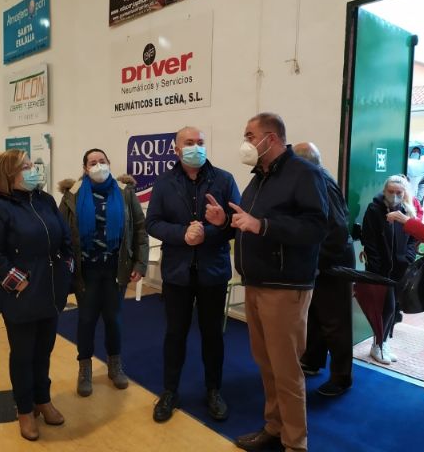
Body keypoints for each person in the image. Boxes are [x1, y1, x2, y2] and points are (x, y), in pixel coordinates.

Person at [206, 113, 328, 452]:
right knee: (267, 364)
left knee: (286, 371)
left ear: (270, 138)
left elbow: (317, 227)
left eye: (249, 134)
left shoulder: (304, 174)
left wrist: (263, 226)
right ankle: (274, 427)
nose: (245, 141)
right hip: (257, 283)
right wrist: (226, 222)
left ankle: (296, 443)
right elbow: (249, 224)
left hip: (285, 288)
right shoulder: (259, 177)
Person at [0, 149, 74, 441]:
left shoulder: (45, 200)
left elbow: (65, 237)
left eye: (32, 164)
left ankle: (42, 399)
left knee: (44, 351)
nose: (34, 169)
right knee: (23, 356)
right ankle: (25, 409)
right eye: (26, 166)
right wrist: (18, 282)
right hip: (20, 297)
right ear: (8, 174)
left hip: (50, 291)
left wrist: (66, 266)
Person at [146, 126, 240, 423]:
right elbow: (152, 223)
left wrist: (213, 229)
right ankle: (170, 391)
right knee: (175, 334)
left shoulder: (224, 179)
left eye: (200, 142)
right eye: (189, 143)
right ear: (176, 149)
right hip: (177, 273)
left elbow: (236, 222)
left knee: (213, 335)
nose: (196, 147)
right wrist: (182, 234)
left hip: (213, 271)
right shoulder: (163, 183)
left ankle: (214, 390)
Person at [57, 148, 148, 397]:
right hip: (86, 271)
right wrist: (64, 267)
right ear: (85, 168)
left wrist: (140, 264)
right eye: (92, 163)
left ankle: (115, 365)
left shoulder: (125, 192)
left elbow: (140, 230)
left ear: (109, 163)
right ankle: (84, 368)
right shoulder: (72, 195)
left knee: (113, 319)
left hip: (115, 268)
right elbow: (61, 234)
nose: (98, 166)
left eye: (102, 161)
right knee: (86, 319)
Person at [294, 142, 355, 397]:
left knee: (335, 323)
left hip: (332, 262)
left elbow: (336, 231)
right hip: (323, 261)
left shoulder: (321, 183)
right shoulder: (318, 178)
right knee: (317, 316)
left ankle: (341, 378)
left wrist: (318, 262)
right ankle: (312, 360)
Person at [361, 175, 417, 365]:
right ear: (385, 191)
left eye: (398, 192)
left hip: (399, 269)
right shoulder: (374, 209)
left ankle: (383, 343)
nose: (394, 196)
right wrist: (376, 266)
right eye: (391, 192)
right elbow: (369, 239)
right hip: (380, 270)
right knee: (386, 308)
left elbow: (412, 239)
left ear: (404, 193)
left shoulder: (406, 211)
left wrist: (408, 258)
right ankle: (377, 345)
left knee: (393, 310)